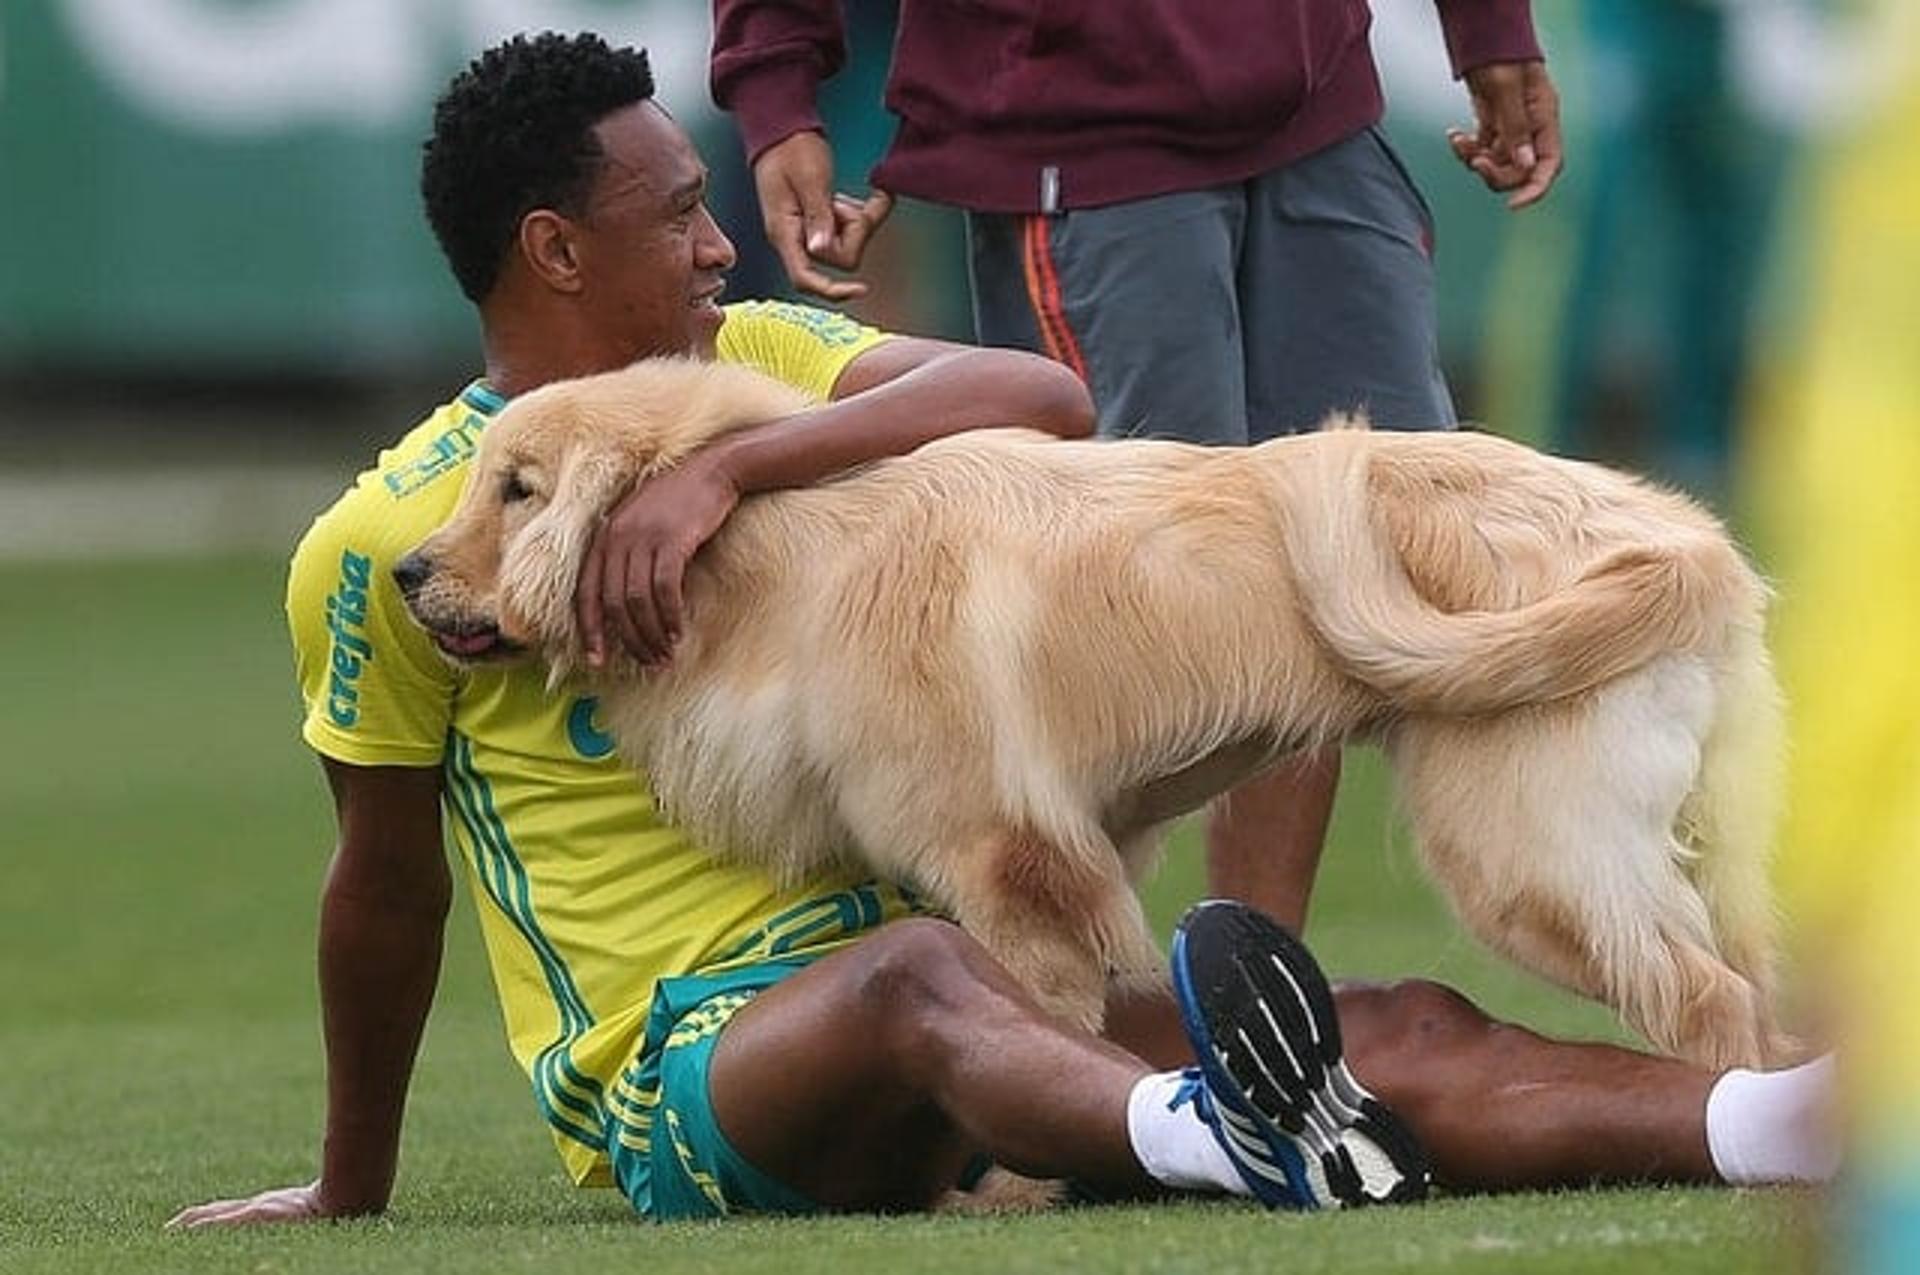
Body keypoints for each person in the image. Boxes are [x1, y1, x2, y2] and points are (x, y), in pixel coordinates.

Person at [168, 33, 1830, 1229]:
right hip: (707, 1070)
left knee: (1386, 1022)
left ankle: (1780, 1117)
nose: (715, 238)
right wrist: (346, 1186)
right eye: (679, 211)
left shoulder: (753, 361)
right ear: (552, 246)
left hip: (1010, 1001)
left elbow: (1039, 396)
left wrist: (720, 469)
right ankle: (1212, 1139)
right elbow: (380, 894)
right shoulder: (388, 541)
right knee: (922, 972)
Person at [710, 0, 1565, 933]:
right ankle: (1045, 1002)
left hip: (1317, 96)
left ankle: (1250, 999)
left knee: (1358, 547)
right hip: (1076, 128)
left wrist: (1489, 29)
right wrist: (778, 91)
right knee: (1121, 612)